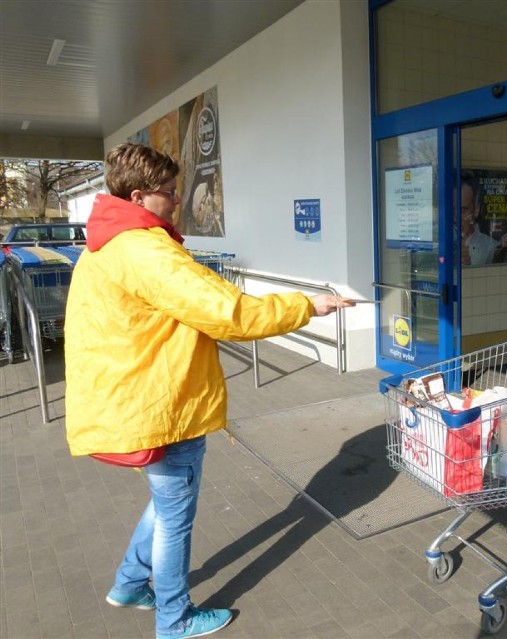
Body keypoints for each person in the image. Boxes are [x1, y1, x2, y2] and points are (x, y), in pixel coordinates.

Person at [63, 143, 354, 639]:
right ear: (139, 195)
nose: (177, 201)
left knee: (165, 503)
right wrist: (308, 305)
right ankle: (174, 619)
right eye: (170, 193)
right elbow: (230, 313)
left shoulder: (104, 246)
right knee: (175, 516)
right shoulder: (144, 249)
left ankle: (131, 584)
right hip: (164, 407)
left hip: (133, 400)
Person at [460, 171, 496, 266]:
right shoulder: (439, 243)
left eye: (463, 210)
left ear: (476, 210)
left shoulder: (490, 247)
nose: (456, 218)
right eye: (451, 211)